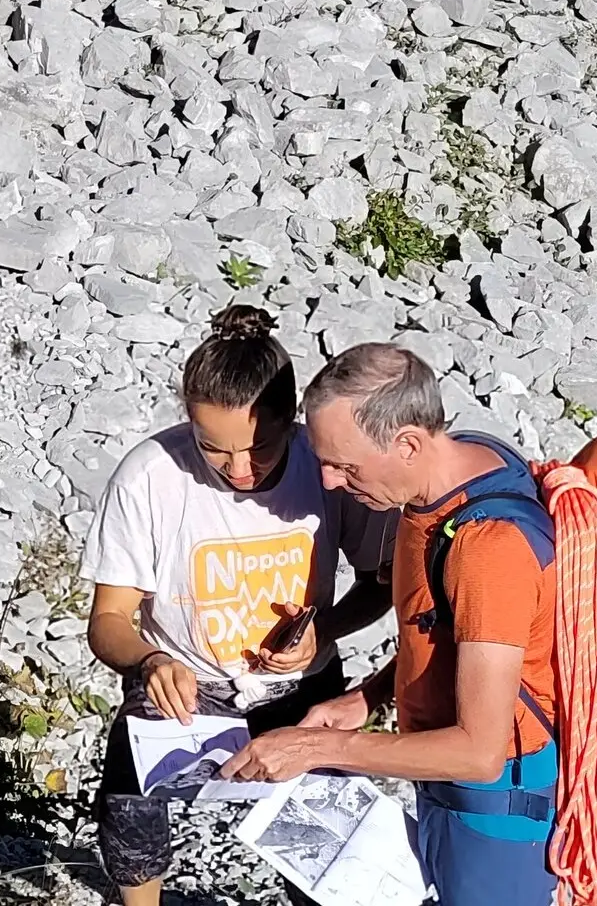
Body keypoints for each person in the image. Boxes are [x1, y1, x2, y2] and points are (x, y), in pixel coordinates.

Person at [219, 343, 561, 905]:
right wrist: (370, 696)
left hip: (495, 807)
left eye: (345, 465)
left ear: (407, 443)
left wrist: (314, 750)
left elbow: (480, 751)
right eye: (324, 460)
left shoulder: (488, 548)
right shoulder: (454, 471)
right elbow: (453, 635)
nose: (329, 482)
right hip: (447, 783)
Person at [80, 306, 394, 906]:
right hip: (183, 682)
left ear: (291, 420)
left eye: (260, 447)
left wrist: (323, 629)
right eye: (213, 450)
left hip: (301, 685)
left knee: (320, 839)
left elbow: (379, 583)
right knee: (130, 812)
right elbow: (109, 620)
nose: (240, 469)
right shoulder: (151, 474)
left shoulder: (326, 473)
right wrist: (148, 663)